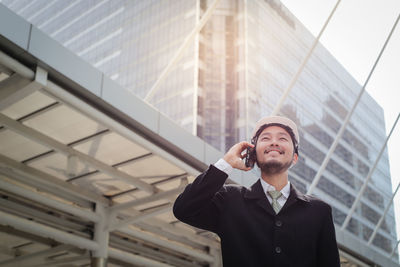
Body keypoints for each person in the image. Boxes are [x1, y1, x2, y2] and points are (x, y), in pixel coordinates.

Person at [173, 116, 340, 267]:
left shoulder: (319, 211)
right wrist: (226, 163)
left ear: (295, 158)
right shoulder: (229, 200)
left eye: (282, 138)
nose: (274, 142)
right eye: (266, 138)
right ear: (253, 154)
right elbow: (183, 209)